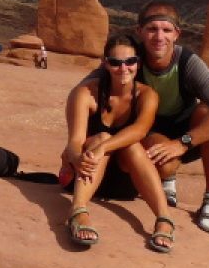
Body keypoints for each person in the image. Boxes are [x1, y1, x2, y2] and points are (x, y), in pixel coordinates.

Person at [61, 34, 174, 252]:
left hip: (125, 182)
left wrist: (105, 146)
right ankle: (78, 211)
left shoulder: (146, 95)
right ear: (105, 63)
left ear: (138, 63)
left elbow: (139, 130)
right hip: (83, 175)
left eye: (130, 62)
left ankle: (164, 218)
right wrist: (75, 157)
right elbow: (74, 141)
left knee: (130, 145)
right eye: (115, 62)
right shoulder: (85, 93)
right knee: (101, 137)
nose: (123, 68)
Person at [135, 2, 209, 235]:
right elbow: (88, 90)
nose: (159, 36)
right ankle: (168, 180)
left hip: (187, 136)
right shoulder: (131, 60)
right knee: (165, 164)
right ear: (139, 32)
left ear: (176, 34)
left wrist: (181, 143)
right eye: (152, 29)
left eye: (166, 30)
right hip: (152, 132)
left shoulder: (188, 63)